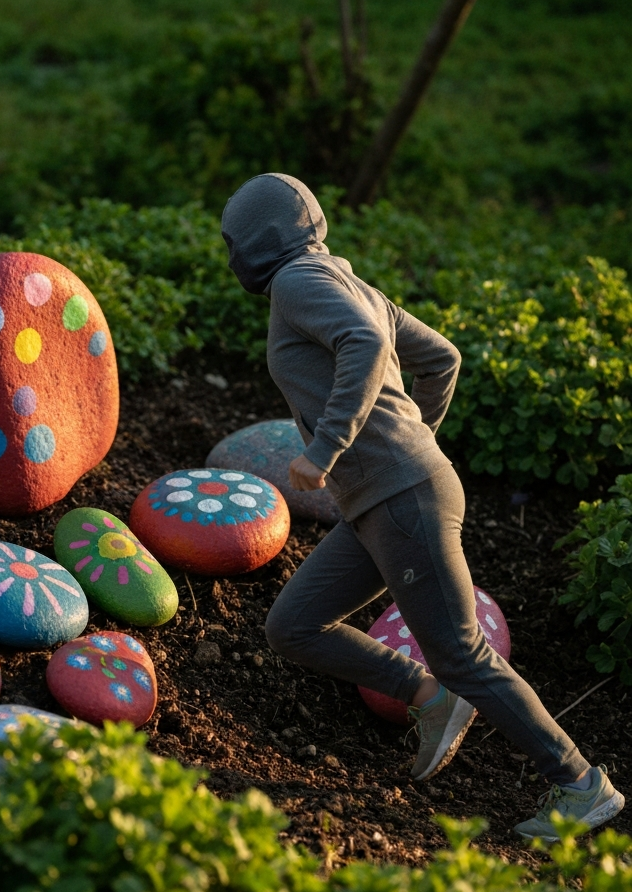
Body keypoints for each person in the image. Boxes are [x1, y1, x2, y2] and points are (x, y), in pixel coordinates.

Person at [220, 172, 625, 841]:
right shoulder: (347, 282)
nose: (233, 256)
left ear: (259, 240)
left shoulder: (299, 282)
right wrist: (410, 441)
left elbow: (366, 343)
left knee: (462, 651)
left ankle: (583, 785)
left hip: (399, 494)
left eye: (233, 242)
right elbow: (442, 358)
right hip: (386, 494)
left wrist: (328, 449)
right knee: (292, 625)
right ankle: (429, 697)